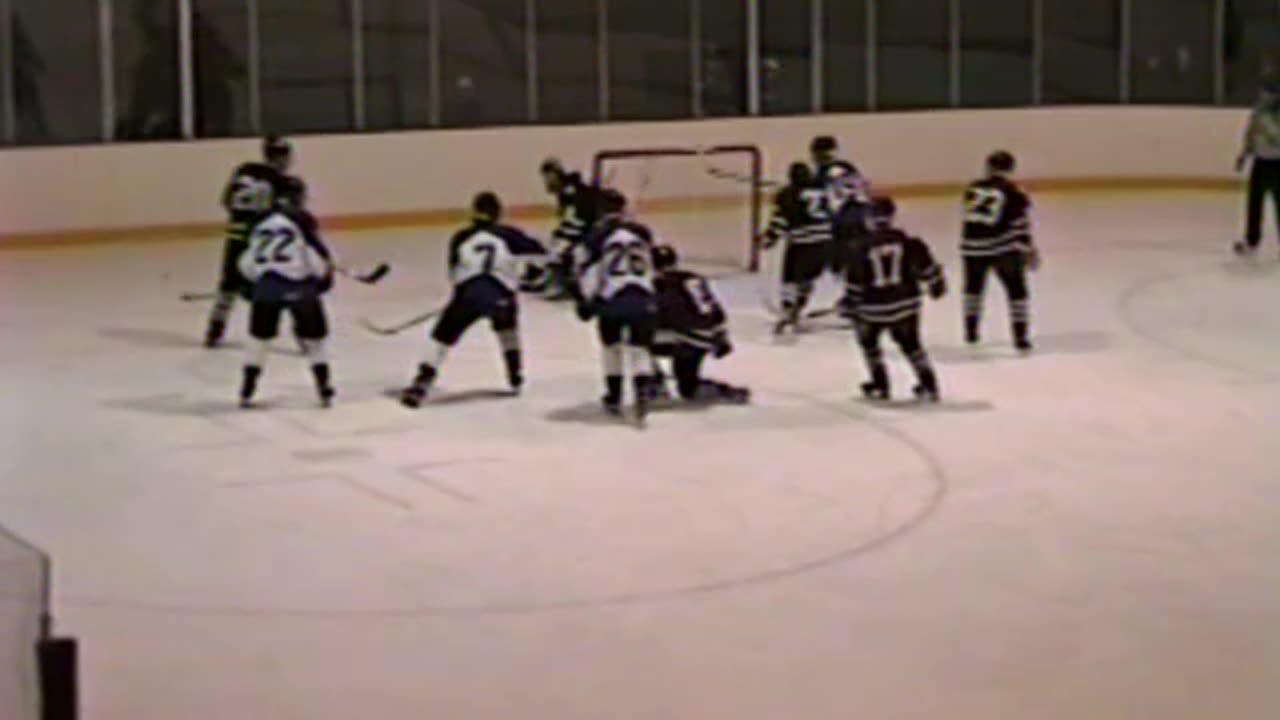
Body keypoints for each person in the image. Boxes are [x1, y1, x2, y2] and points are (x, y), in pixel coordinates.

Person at [400, 192, 547, 407]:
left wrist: (459, 299)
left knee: (441, 336)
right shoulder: (509, 234)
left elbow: (454, 274)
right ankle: (515, 375)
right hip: (501, 293)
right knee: (508, 327)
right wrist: (527, 277)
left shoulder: (460, 237)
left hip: (469, 294)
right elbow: (542, 255)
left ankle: (422, 382)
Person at [236, 176, 335, 408]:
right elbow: (317, 258)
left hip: (267, 288)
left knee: (259, 339)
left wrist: (252, 286)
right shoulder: (302, 220)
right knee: (314, 339)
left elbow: (246, 263)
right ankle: (324, 386)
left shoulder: (259, 221)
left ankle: (247, 388)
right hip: (298, 287)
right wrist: (322, 281)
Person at [845, 196, 947, 402]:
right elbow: (930, 272)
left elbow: (856, 283)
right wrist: (936, 285)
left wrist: (849, 303)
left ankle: (880, 384)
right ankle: (929, 385)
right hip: (906, 304)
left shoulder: (858, 247)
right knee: (912, 345)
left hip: (873, 309)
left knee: (869, 343)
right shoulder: (910, 243)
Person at [577, 189, 658, 421]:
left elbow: (590, 270)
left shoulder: (597, 235)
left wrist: (588, 300)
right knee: (640, 347)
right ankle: (642, 390)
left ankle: (614, 395)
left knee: (611, 346)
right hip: (643, 295)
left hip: (614, 297)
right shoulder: (642, 232)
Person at [206, 135, 293, 348]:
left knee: (228, 284)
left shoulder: (244, 170)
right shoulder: (281, 182)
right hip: (260, 241)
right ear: (282, 158)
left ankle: (214, 330)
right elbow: (283, 215)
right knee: (281, 283)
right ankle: (303, 334)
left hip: (235, 236)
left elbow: (226, 201)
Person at [652, 245, 750, 404]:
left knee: (637, 339)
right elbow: (713, 311)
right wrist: (720, 336)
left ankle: (654, 383)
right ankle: (715, 390)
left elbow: (659, 314)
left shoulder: (658, 282)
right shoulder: (692, 278)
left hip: (683, 336)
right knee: (687, 385)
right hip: (706, 337)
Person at [961, 150, 1039, 351]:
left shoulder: (973, 187)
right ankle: (1020, 337)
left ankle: (971, 332)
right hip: (1000, 248)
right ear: (1011, 169)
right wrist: (1028, 250)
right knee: (1017, 290)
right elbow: (1020, 225)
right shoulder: (1014, 192)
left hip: (970, 247)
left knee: (973, 288)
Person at [760, 162, 834, 334]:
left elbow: (781, 221)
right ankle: (798, 307)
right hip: (826, 243)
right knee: (807, 279)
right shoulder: (824, 191)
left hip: (802, 244)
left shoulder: (787, 194)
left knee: (791, 280)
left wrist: (769, 238)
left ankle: (788, 310)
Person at [810, 135, 872, 316]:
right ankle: (855, 297)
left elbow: (823, 203)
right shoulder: (847, 167)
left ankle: (856, 300)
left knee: (840, 261)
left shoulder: (823, 172)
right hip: (862, 218)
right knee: (853, 260)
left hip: (845, 222)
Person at [539, 158, 603, 299]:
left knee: (561, 250)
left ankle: (564, 283)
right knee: (560, 247)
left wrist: (562, 235)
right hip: (586, 230)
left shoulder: (570, 193)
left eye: (549, 177)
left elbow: (579, 219)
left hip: (588, 232)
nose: (547, 182)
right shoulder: (567, 191)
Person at [1235, 81, 1280, 255]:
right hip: (1260, 162)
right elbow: (1251, 135)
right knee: (1254, 202)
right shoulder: (1257, 113)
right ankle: (1252, 240)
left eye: (1268, 94)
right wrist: (1244, 154)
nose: (1263, 97)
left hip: (1277, 163)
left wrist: (1267, 125)